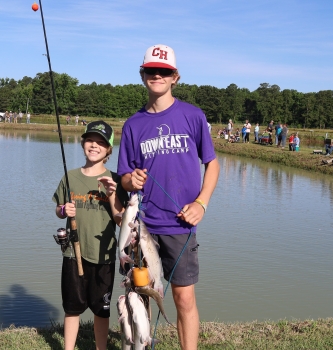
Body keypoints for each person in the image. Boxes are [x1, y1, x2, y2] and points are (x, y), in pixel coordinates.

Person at [117, 44, 220, 350]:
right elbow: (124, 176)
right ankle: (142, 344)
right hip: (142, 227)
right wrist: (129, 179)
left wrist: (202, 202)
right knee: (140, 295)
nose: (157, 75)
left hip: (179, 225)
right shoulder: (133, 125)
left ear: (175, 77)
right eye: (151, 70)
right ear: (142, 74)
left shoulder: (193, 116)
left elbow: (211, 164)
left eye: (164, 72)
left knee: (183, 297)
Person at [52, 121, 128, 350]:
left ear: (108, 150)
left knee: (101, 310)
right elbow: (57, 210)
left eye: (101, 143)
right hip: (73, 254)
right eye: (90, 141)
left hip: (104, 256)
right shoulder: (70, 177)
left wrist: (113, 194)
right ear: (83, 143)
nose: (94, 146)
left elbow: (120, 220)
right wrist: (64, 210)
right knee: (72, 308)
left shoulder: (116, 179)